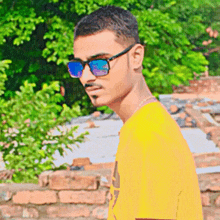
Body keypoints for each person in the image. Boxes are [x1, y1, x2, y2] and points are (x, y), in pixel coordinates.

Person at [67, 5, 203, 220]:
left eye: (99, 64)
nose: (86, 77)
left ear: (136, 56)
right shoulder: (139, 127)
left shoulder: (149, 136)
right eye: (78, 67)